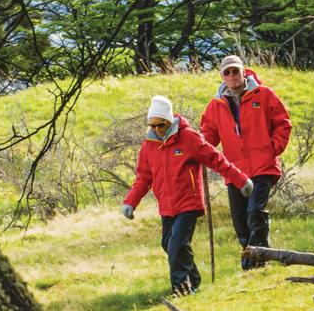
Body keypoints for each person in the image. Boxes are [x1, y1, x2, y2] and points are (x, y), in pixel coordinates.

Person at [122, 95, 252, 296]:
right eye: (152, 125)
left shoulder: (189, 137)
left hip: (188, 203)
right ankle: (194, 279)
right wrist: (130, 202)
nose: (156, 129)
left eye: (160, 125)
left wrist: (241, 180)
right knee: (168, 244)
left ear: (169, 120)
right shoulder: (149, 145)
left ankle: (181, 289)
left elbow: (216, 160)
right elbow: (143, 178)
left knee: (177, 245)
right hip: (166, 204)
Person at [200, 55, 293, 270]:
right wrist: (199, 148)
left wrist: (272, 149)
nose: (232, 75)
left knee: (254, 212)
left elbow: (283, 124)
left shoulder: (265, 94)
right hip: (234, 171)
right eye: (227, 72)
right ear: (222, 76)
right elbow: (208, 135)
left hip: (263, 166)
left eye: (235, 71)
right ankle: (249, 258)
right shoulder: (215, 105)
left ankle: (259, 260)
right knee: (240, 220)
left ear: (243, 71)